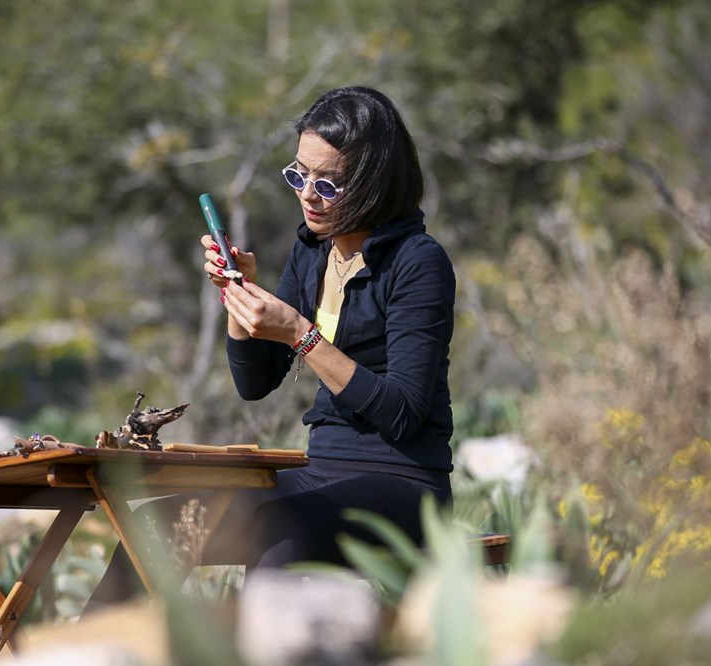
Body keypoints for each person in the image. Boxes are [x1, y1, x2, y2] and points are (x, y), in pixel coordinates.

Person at [83, 85, 454, 614]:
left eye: (328, 183)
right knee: (157, 524)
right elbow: (254, 385)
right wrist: (239, 302)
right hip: (321, 470)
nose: (307, 194)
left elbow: (402, 412)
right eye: (299, 175)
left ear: (373, 182)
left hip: (404, 482)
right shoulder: (313, 250)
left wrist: (300, 334)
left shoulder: (419, 262)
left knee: (278, 526)